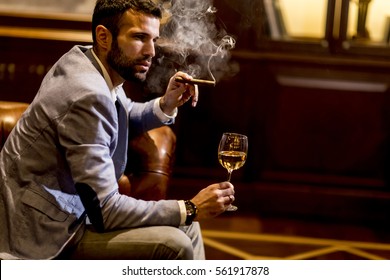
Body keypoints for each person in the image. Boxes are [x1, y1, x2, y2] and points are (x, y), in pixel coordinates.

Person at [0, 0, 235, 260]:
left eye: (154, 40)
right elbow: (106, 209)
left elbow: (120, 112)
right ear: (104, 36)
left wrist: (166, 104)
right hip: (46, 231)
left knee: (189, 229)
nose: (151, 52)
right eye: (139, 37)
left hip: (73, 210)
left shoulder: (89, 60)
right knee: (175, 242)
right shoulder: (87, 94)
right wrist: (189, 207)